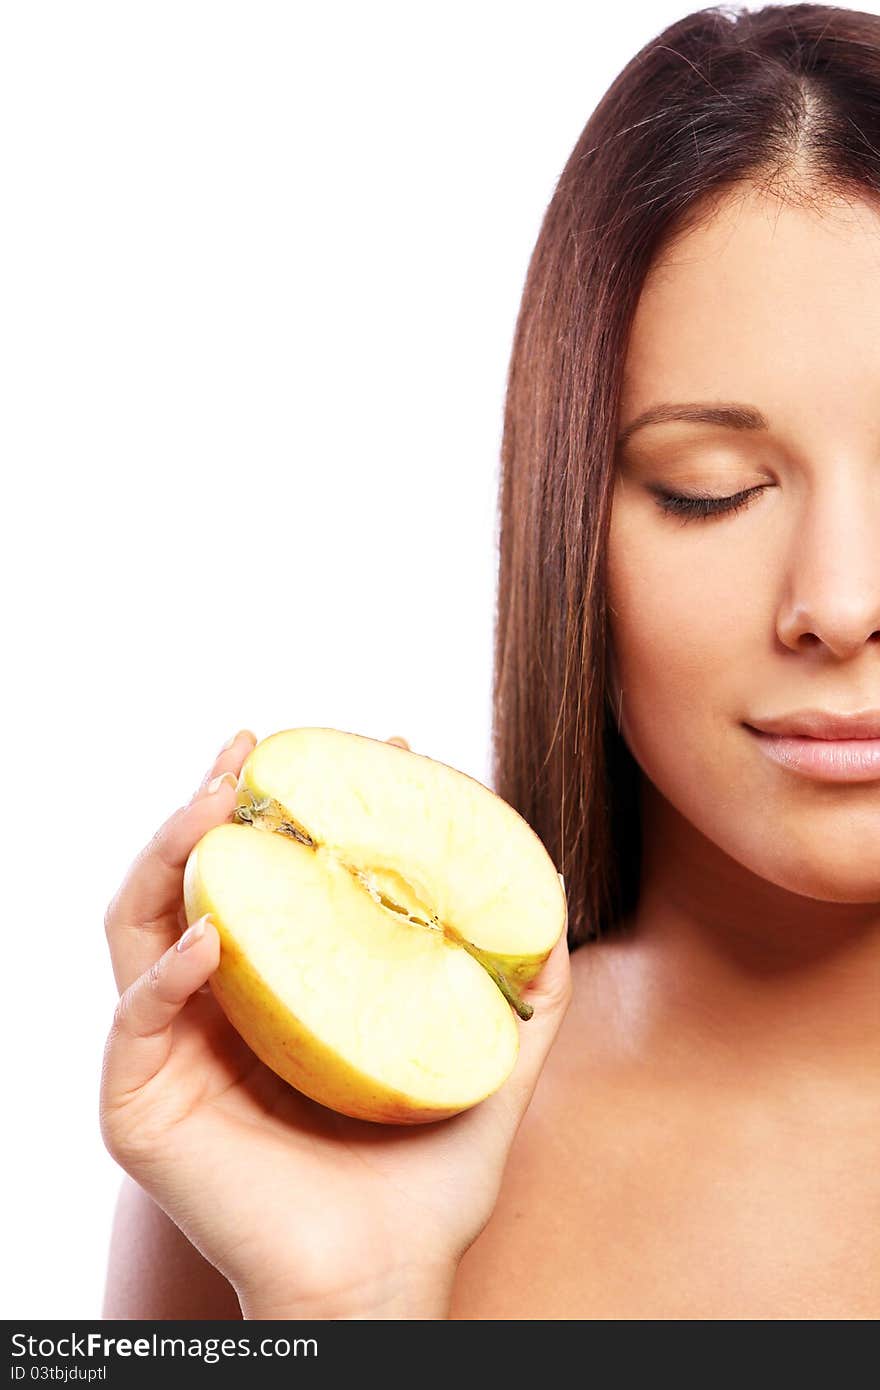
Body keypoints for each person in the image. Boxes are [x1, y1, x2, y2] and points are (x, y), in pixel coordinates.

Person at [100, 3, 880, 1319]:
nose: (840, 601)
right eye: (714, 487)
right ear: (569, 522)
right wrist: (355, 1309)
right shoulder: (297, 1133)